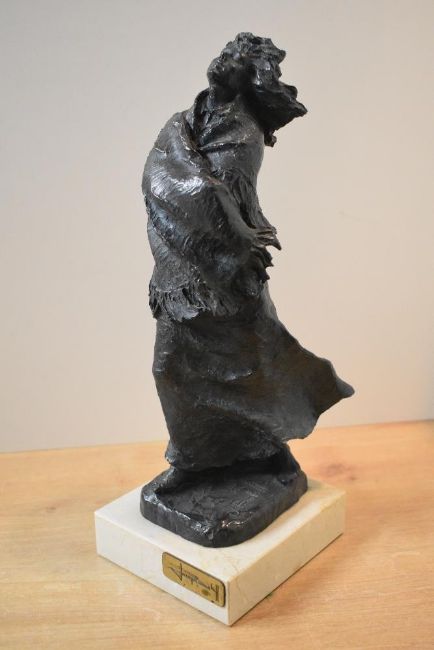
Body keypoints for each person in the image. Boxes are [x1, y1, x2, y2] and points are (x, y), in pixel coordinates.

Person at [142, 32, 354, 493]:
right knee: (169, 368)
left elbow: (220, 198)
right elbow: (159, 177)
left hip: (230, 271)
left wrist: (216, 211)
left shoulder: (245, 132)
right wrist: (197, 188)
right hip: (180, 275)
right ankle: (190, 461)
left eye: (237, 57)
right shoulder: (182, 123)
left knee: (254, 369)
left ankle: (273, 449)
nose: (224, 60)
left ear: (250, 76)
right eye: (225, 51)